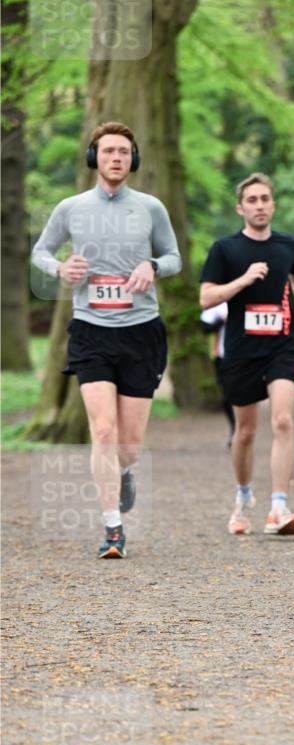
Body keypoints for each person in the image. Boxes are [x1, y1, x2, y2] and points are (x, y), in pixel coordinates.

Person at [32, 120, 182, 560]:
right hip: (90, 329)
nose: (115, 158)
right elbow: (40, 252)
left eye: (123, 152)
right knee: (102, 429)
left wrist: (152, 266)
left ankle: (125, 470)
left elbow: (174, 257)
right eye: (108, 151)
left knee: (128, 446)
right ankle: (113, 528)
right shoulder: (71, 208)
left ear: (133, 160)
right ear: (93, 157)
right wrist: (60, 268)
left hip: (141, 331)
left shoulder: (151, 207)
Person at [200, 172, 294, 536]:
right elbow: (206, 298)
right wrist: (244, 280)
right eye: (252, 200)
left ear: (273, 205)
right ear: (240, 208)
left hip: (282, 347)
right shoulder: (225, 249)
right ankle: (243, 495)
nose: (259, 205)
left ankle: (278, 507)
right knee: (245, 432)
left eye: (265, 199)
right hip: (241, 351)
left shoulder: (287, 245)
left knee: (283, 421)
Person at [200, 300, 236, 447]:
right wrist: (222, 320)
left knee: (243, 393)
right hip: (222, 356)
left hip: (245, 356)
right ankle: (234, 427)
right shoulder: (218, 303)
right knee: (227, 395)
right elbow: (205, 327)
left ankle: (242, 428)